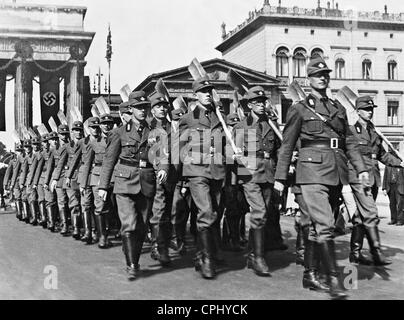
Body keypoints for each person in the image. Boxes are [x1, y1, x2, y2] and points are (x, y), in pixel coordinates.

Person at [274, 57, 368, 299]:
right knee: (325, 225)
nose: (323, 78)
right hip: (311, 172)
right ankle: (333, 279)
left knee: (319, 229)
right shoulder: (300, 109)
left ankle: (311, 274)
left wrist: (361, 167)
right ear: (309, 80)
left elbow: (349, 142)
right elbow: (287, 146)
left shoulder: (338, 108)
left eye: (326, 74)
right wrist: (280, 179)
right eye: (318, 75)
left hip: (336, 172)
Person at [98, 91, 156, 280]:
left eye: (145, 107)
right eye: (138, 107)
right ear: (130, 109)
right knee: (129, 224)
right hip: (124, 182)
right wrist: (103, 187)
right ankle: (132, 264)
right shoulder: (119, 133)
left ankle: (134, 258)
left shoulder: (155, 131)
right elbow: (109, 160)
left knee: (141, 226)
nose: (142, 110)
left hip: (147, 181)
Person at [178, 76, 226, 279]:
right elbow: (179, 149)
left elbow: (225, 145)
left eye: (210, 91)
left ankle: (203, 253)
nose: (208, 94)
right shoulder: (188, 118)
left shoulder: (219, 117)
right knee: (206, 212)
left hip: (218, 170)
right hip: (197, 171)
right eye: (203, 91)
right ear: (195, 95)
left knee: (214, 213)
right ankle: (207, 259)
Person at [347, 96, 403, 265]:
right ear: (357, 112)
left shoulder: (374, 131)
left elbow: (382, 155)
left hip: (374, 177)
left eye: (371, 109)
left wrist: (400, 162)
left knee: (360, 216)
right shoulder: (351, 130)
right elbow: (349, 153)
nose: (370, 112)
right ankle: (376, 252)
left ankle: (355, 253)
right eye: (366, 109)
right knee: (371, 212)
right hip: (359, 176)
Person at [233, 86, 282, 277]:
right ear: (250, 105)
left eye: (263, 102)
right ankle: (259, 257)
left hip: (268, 170)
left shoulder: (272, 125)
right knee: (259, 211)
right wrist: (236, 158)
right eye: (257, 103)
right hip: (249, 171)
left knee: (265, 213)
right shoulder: (241, 127)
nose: (262, 105)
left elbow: (278, 150)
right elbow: (231, 154)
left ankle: (253, 254)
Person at [148, 93, 174, 266]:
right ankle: (158, 247)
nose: (162, 109)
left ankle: (160, 243)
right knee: (158, 210)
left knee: (166, 212)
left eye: (165, 106)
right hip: (154, 174)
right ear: (152, 109)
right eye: (158, 106)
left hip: (171, 175)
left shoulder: (172, 127)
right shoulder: (149, 127)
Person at [66, 117, 100, 244]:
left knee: (98, 205)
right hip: (84, 176)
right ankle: (88, 232)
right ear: (89, 128)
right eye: (92, 127)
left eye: (97, 127)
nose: (95, 129)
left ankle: (98, 232)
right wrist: (69, 176)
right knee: (85, 204)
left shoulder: (104, 141)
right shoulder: (83, 143)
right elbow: (75, 160)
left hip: (97, 176)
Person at [46, 124, 70, 235]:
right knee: (61, 201)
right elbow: (51, 167)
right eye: (62, 134)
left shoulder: (72, 145)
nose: (64, 136)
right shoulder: (54, 150)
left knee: (73, 202)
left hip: (71, 175)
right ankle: (64, 224)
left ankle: (73, 224)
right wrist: (48, 181)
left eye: (66, 134)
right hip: (59, 177)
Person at [34, 132, 58, 232]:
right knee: (44, 199)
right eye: (44, 142)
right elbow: (38, 169)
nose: (46, 144)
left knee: (52, 200)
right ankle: (47, 219)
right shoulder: (42, 154)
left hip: (53, 177)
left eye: (47, 142)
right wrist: (35, 182)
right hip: (43, 178)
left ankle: (53, 221)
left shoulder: (55, 151)